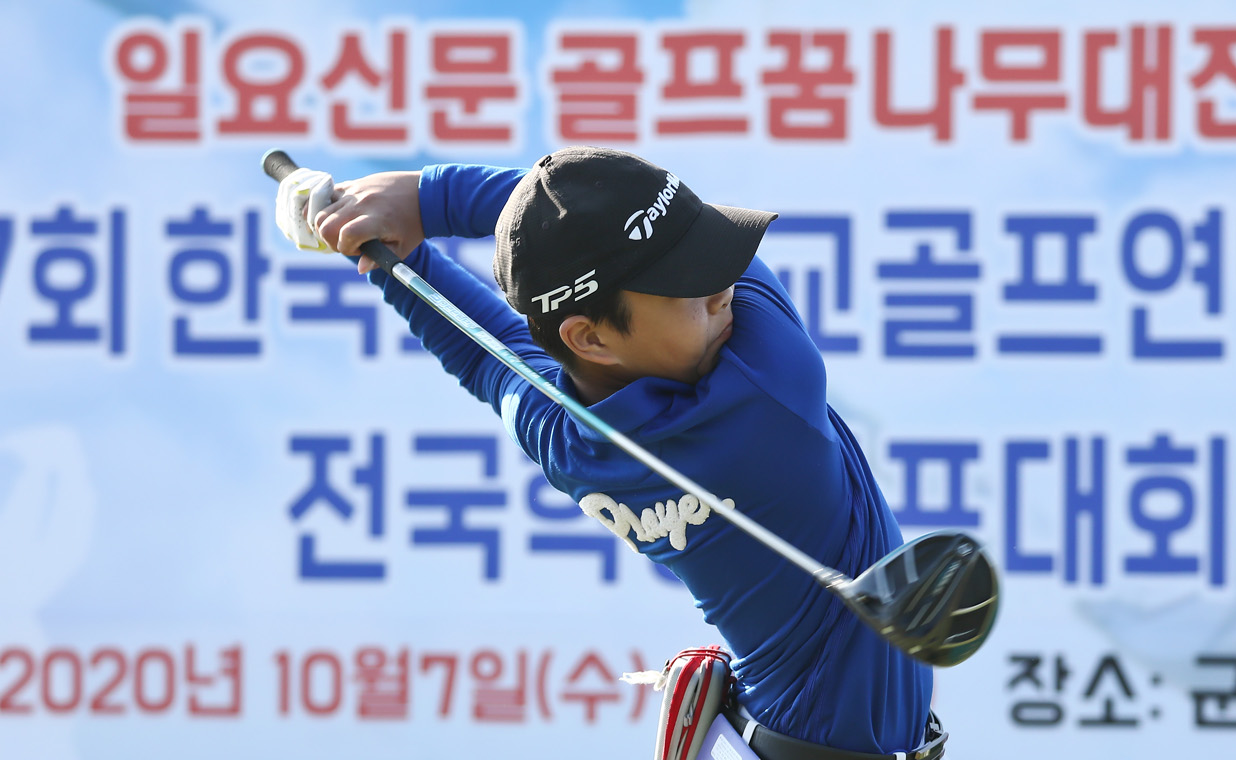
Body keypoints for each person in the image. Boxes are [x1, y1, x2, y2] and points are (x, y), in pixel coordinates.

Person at [277, 147, 939, 758]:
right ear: (590, 338)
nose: (724, 285)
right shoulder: (771, 382)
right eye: (688, 286)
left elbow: (486, 351)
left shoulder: (567, 440)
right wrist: (429, 199)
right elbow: (530, 267)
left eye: (712, 260)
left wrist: (384, 251)